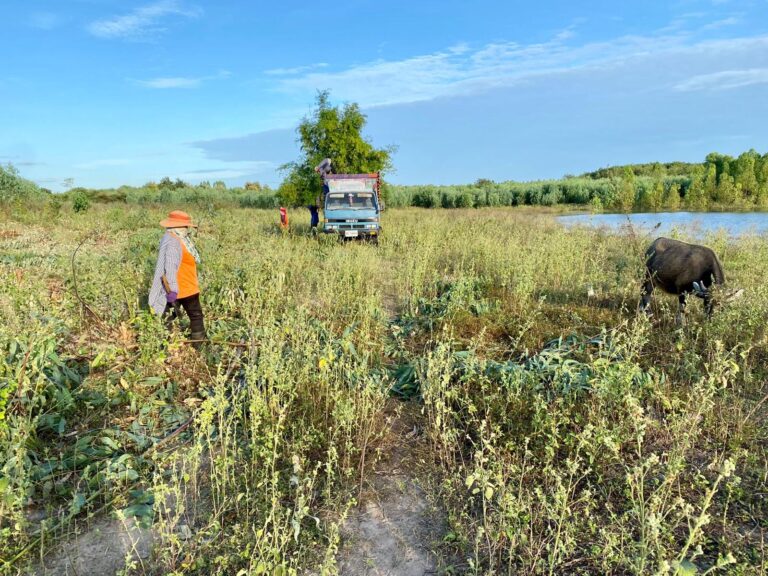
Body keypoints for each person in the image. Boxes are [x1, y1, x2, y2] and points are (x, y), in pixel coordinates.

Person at [148, 210, 206, 344]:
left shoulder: (173, 237)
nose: (187, 229)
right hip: (181, 287)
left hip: (186, 284)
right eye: (185, 226)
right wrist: (173, 291)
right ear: (178, 226)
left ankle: (165, 347)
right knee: (195, 316)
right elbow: (169, 267)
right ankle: (198, 346)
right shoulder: (173, 241)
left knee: (169, 317)